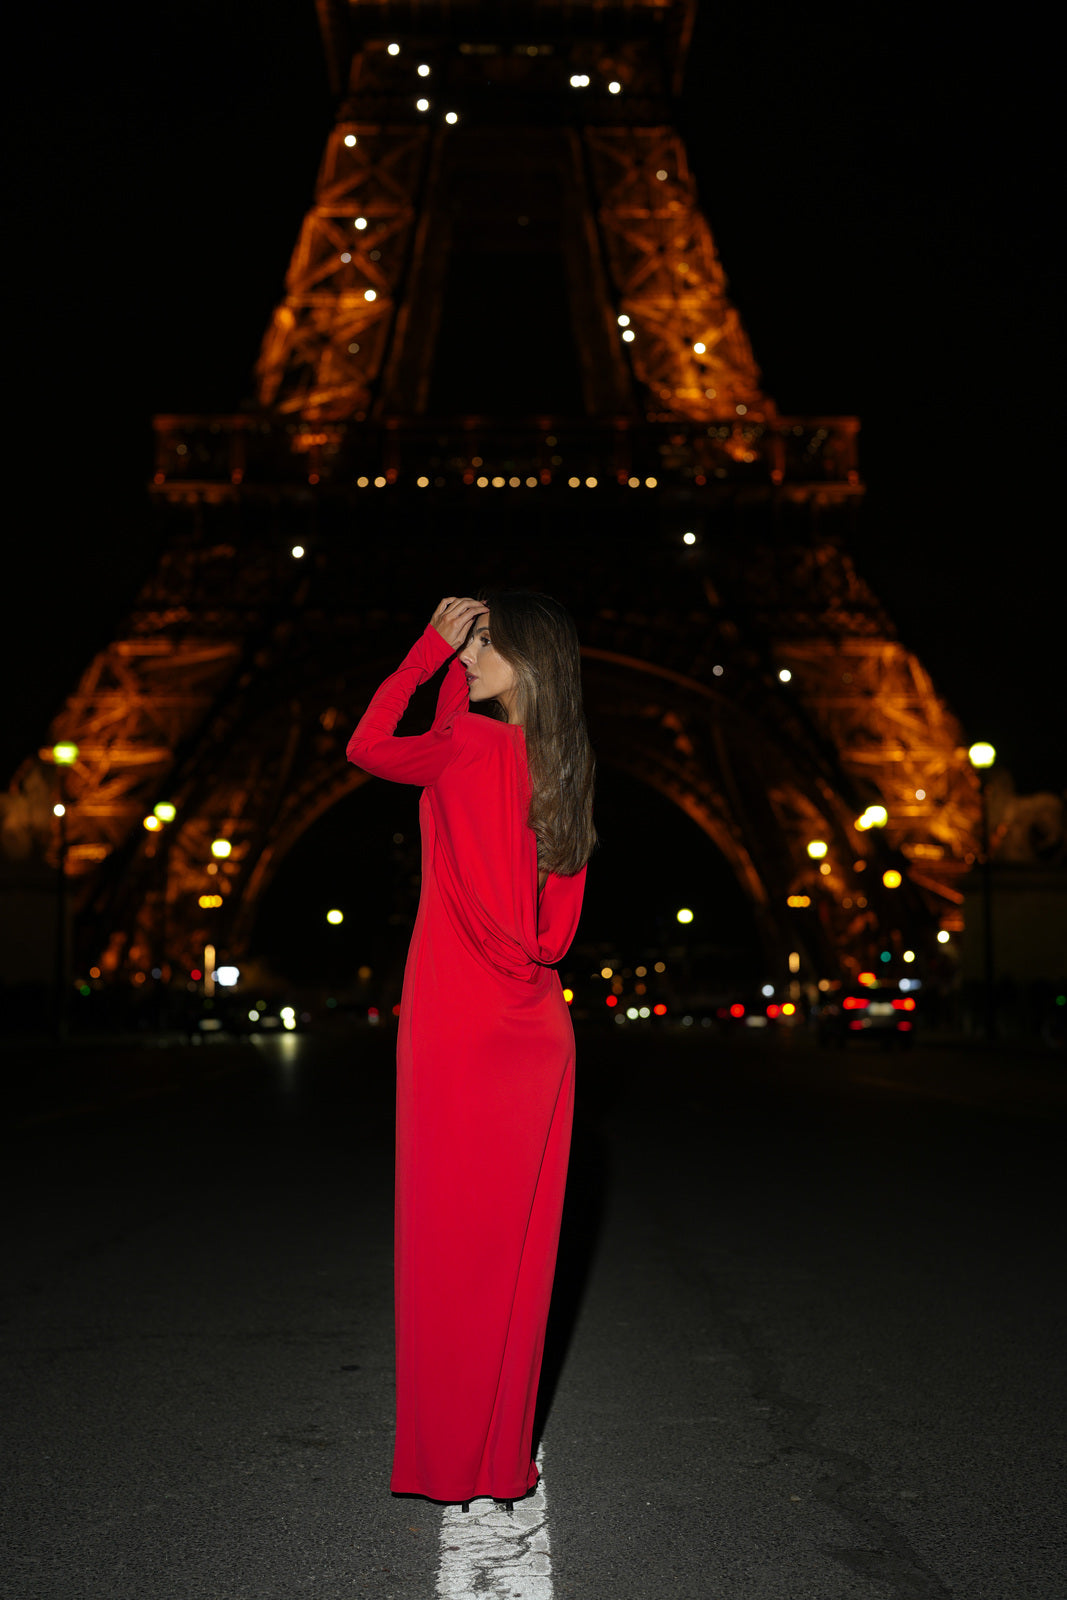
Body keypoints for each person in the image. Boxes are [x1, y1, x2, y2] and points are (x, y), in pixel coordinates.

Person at [346, 591, 598, 1512]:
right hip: (535, 1030)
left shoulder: (465, 745)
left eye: (484, 643)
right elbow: (554, 932)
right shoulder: (564, 773)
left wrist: (421, 653)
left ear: (526, 659)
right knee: (517, 1257)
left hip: (456, 1024)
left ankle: (451, 1464)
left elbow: (368, 747)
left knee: (448, 1251)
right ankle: (497, 1461)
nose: (467, 654)